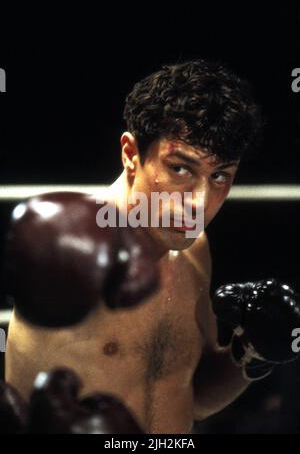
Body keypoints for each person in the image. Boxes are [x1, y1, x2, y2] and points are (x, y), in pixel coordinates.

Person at [6, 60, 265, 434]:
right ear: (130, 153)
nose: (199, 202)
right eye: (180, 169)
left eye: (220, 176)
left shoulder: (194, 248)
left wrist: (252, 354)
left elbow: (191, 399)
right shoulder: (68, 255)